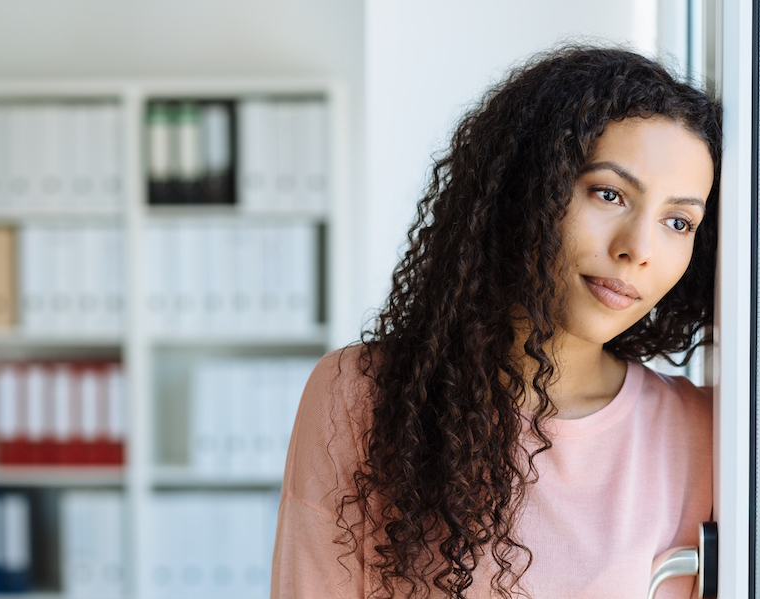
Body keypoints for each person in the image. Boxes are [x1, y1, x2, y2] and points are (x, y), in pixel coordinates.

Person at [271, 45, 721, 599]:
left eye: (679, 222)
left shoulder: (707, 433)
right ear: (524, 189)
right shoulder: (361, 395)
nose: (639, 248)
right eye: (608, 194)